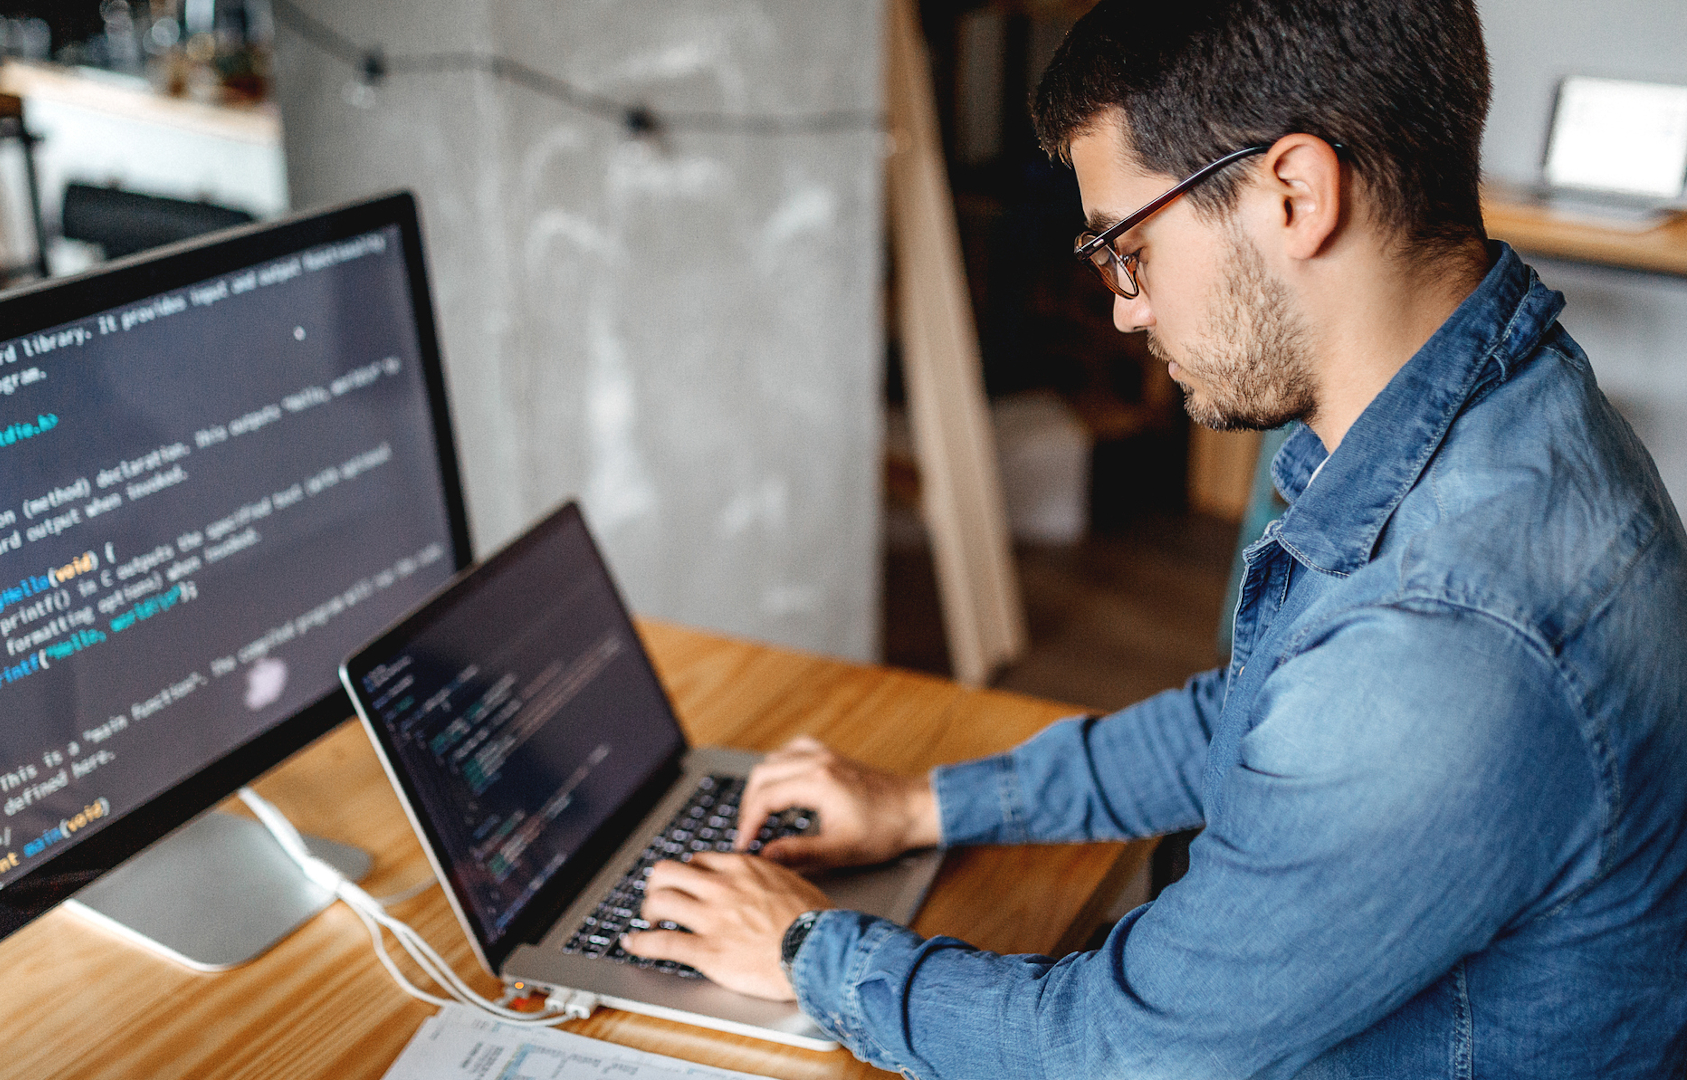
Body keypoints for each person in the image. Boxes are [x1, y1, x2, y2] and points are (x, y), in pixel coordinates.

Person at [620, 0, 1687, 1075]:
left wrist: (805, 949)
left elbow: (1122, 1053)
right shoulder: (1505, 408)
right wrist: (920, 803)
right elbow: (1258, 724)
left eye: (1127, 246)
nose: (1125, 309)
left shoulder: (1442, 636)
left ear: (1295, 195)